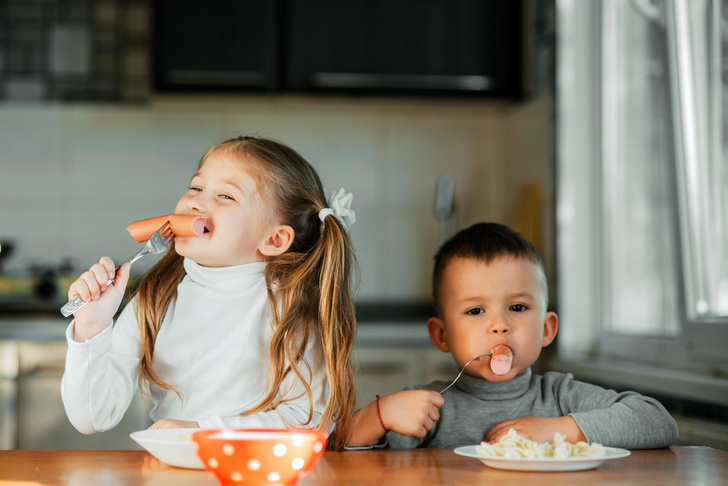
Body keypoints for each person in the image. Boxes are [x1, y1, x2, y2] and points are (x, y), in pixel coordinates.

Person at [61, 135, 358, 450]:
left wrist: (203, 431)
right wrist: (91, 329)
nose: (194, 202)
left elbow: (308, 420)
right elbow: (92, 418)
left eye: (226, 196)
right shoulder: (155, 298)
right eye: (196, 187)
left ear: (274, 239)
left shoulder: (290, 309)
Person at [347, 222, 679, 449]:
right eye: (476, 311)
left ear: (546, 329)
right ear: (442, 335)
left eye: (518, 307)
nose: (500, 325)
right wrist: (378, 415)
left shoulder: (560, 396)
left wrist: (557, 430)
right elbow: (346, 452)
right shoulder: (429, 408)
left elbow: (657, 421)